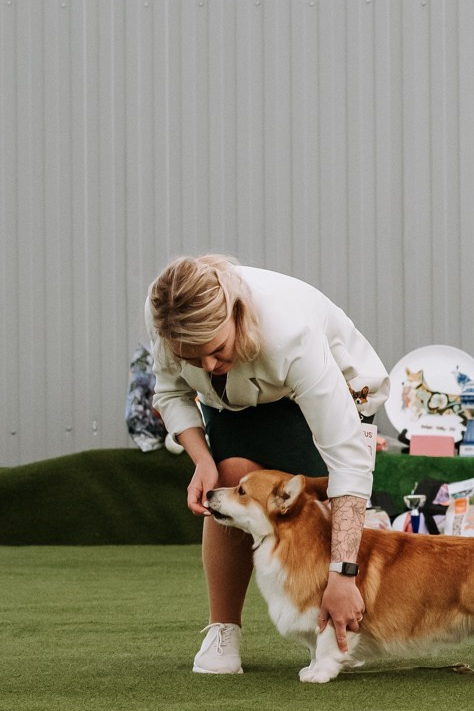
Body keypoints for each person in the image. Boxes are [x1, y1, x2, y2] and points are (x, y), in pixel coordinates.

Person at [146, 256, 389, 674]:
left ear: (237, 316)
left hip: (332, 390)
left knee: (324, 491)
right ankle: (223, 630)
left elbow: (347, 460)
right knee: (229, 480)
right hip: (234, 402)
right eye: (193, 356)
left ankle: (338, 618)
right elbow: (170, 394)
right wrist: (202, 461)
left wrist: (344, 576)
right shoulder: (171, 323)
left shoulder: (292, 336)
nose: (206, 365)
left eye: (216, 349)